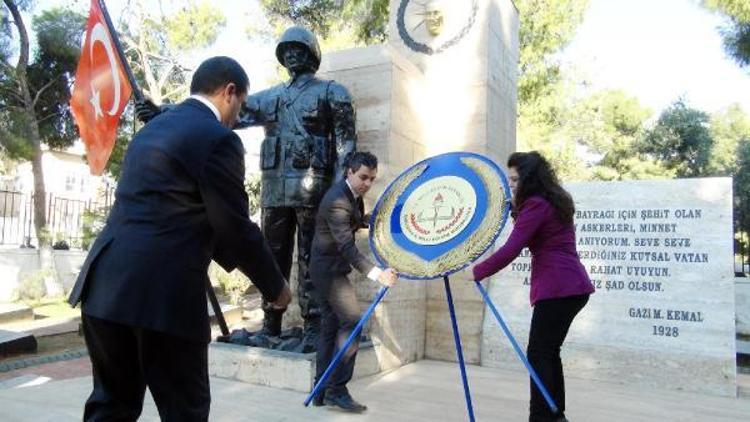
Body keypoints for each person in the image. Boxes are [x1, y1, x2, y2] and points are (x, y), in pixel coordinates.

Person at [68, 56, 292, 421]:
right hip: (162, 298)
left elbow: (186, 215)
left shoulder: (150, 132)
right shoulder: (219, 139)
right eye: (241, 106)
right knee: (184, 411)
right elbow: (234, 226)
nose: (238, 116)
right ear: (229, 92)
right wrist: (275, 287)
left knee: (111, 407)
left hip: (105, 288)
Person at [236, 26, 357, 350]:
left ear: (311, 53)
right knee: (271, 258)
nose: (291, 54)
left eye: (298, 48)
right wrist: (165, 113)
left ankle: (315, 327)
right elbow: (223, 111)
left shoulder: (333, 92)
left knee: (311, 259)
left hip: (313, 190)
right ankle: (270, 324)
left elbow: (347, 148)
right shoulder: (270, 97)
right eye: (286, 49)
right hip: (275, 189)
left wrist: (338, 195)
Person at [471, 151, 594, 422]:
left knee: (539, 353)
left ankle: (542, 417)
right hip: (570, 286)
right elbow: (531, 232)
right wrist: (514, 207)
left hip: (559, 287)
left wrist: (478, 271)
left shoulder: (536, 205)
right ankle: (554, 414)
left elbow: (513, 247)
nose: (511, 185)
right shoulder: (551, 200)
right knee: (547, 352)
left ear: (529, 179)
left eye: (515, 180)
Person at [310, 151, 398, 413]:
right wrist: (377, 274)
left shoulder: (351, 196)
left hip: (327, 268)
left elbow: (353, 221)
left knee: (329, 329)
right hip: (329, 272)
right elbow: (348, 247)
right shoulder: (337, 200)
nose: (367, 184)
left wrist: (369, 219)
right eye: (363, 177)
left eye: (372, 179)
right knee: (353, 323)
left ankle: (322, 390)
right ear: (349, 171)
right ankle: (337, 390)